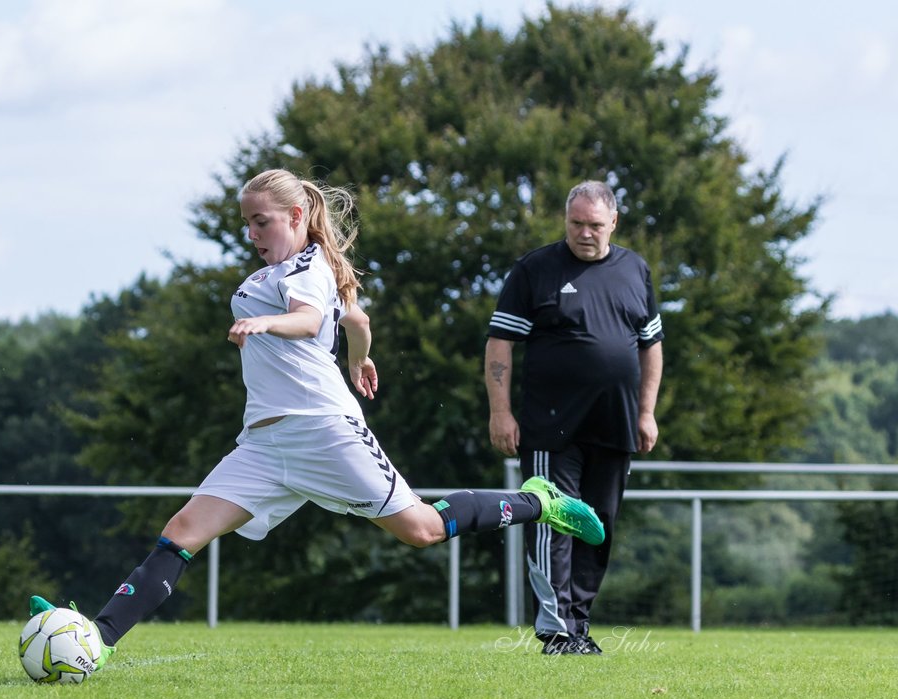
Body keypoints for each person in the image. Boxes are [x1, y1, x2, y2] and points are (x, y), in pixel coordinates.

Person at [32, 168, 605, 673]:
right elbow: (356, 317)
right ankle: (96, 640)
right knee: (181, 532)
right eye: (248, 225)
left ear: (297, 216)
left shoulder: (307, 270)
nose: (252, 235)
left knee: (423, 530)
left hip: (325, 430)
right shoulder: (292, 272)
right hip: (263, 443)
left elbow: (309, 321)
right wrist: (359, 357)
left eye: (261, 222)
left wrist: (268, 327)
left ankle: (539, 501)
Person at [484, 180, 663, 655]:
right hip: (549, 427)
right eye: (576, 224)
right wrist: (500, 413)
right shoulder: (534, 269)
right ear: (566, 220)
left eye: (595, 226)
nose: (585, 233)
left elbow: (652, 345)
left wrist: (646, 412)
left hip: (616, 424)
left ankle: (579, 627)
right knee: (554, 521)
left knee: (598, 525)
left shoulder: (634, 270)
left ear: (614, 223)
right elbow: (500, 342)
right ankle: (556, 630)